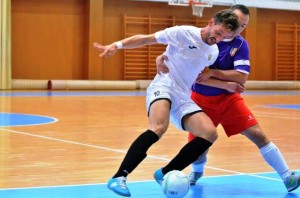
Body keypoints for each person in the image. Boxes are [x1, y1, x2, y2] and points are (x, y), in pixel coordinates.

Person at [94, 9, 239, 197]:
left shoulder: (213, 52)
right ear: (211, 22)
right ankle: (119, 177)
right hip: (164, 84)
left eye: (225, 37)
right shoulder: (183, 33)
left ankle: (164, 173)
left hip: (183, 95)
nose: (219, 39)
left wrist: (225, 84)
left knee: (209, 133)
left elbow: (198, 76)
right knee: (158, 127)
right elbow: (146, 38)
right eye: (219, 33)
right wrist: (118, 44)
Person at [156, 4, 300, 193]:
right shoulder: (204, 40)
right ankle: (196, 172)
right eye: (237, 23)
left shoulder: (240, 44)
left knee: (258, 134)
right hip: (200, 100)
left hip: (229, 101)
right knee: (199, 149)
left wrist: (213, 73)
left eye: (243, 26)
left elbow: (241, 77)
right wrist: (224, 82)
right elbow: (197, 76)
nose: (238, 28)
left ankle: (286, 175)